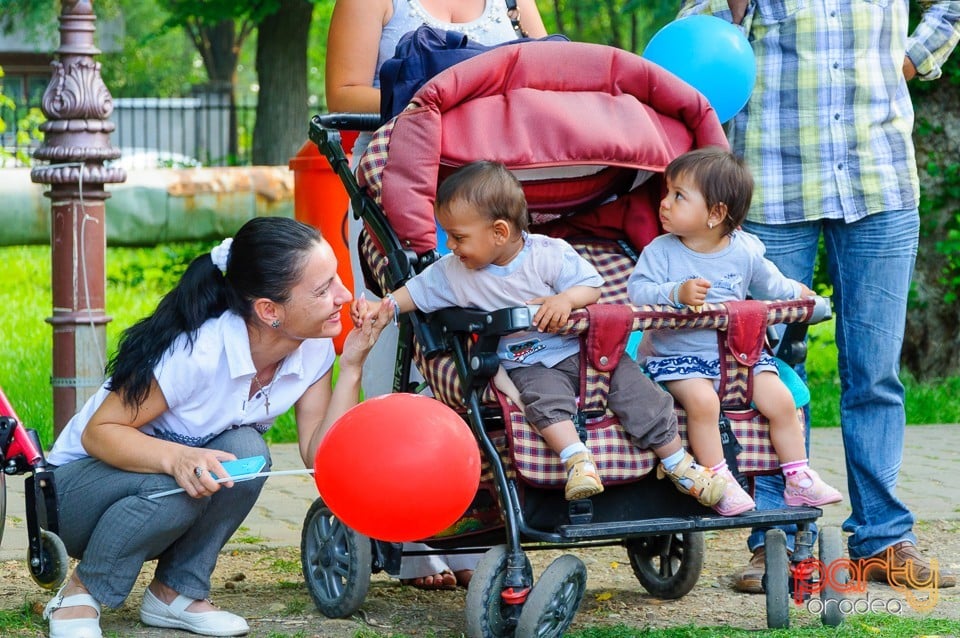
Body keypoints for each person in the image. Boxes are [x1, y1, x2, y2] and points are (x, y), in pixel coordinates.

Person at [678, 0, 959, 590]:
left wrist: (908, 61)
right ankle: (777, 539)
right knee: (766, 370)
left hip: (878, 174)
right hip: (772, 181)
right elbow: (692, 31)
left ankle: (882, 539)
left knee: (875, 374)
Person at [41, 217, 394, 638]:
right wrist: (177, 458)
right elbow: (98, 432)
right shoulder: (199, 352)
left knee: (249, 454)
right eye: (323, 290)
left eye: (336, 278)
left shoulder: (314, 347)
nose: (344, 295)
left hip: (151, 493)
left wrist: (352, 363)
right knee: (182, 482)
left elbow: (320, 457)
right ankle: (80, 592)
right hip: (72, 498)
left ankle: (175, 593)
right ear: (269, 311)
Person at [325, 0, 549, 590]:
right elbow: (345, 92)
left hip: (498, 197)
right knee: (396, 354)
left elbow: (551, 76)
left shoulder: (512, 2)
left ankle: (477, 514)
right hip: (403, 190)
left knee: (489, 350)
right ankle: (400, 521)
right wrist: (449, 89)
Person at [386, 160, 726, 506]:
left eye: (458, 237)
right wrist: (384, 308)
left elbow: (591, 286)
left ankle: (677, 462)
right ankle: (577, 460)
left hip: (581, 348)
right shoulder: (453, 272)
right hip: (526, 360)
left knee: (637, 390)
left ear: (499, 233)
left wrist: (565, 300)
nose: (452, 246)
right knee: (543, 402)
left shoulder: (548, 254)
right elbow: (414, 292)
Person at [627, 148, 844, 518]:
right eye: (667, 193)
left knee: (781, 400)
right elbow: (637, 293)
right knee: (703, 403)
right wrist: (674, 293)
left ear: (715, 214)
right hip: (676, 356)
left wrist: (798, 294)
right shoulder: (660, 252)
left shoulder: (744, 250)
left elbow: (771, 285)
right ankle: (718, 480)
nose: (664, 203)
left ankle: (798, 477)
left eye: (678, 196)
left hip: (736, 354)